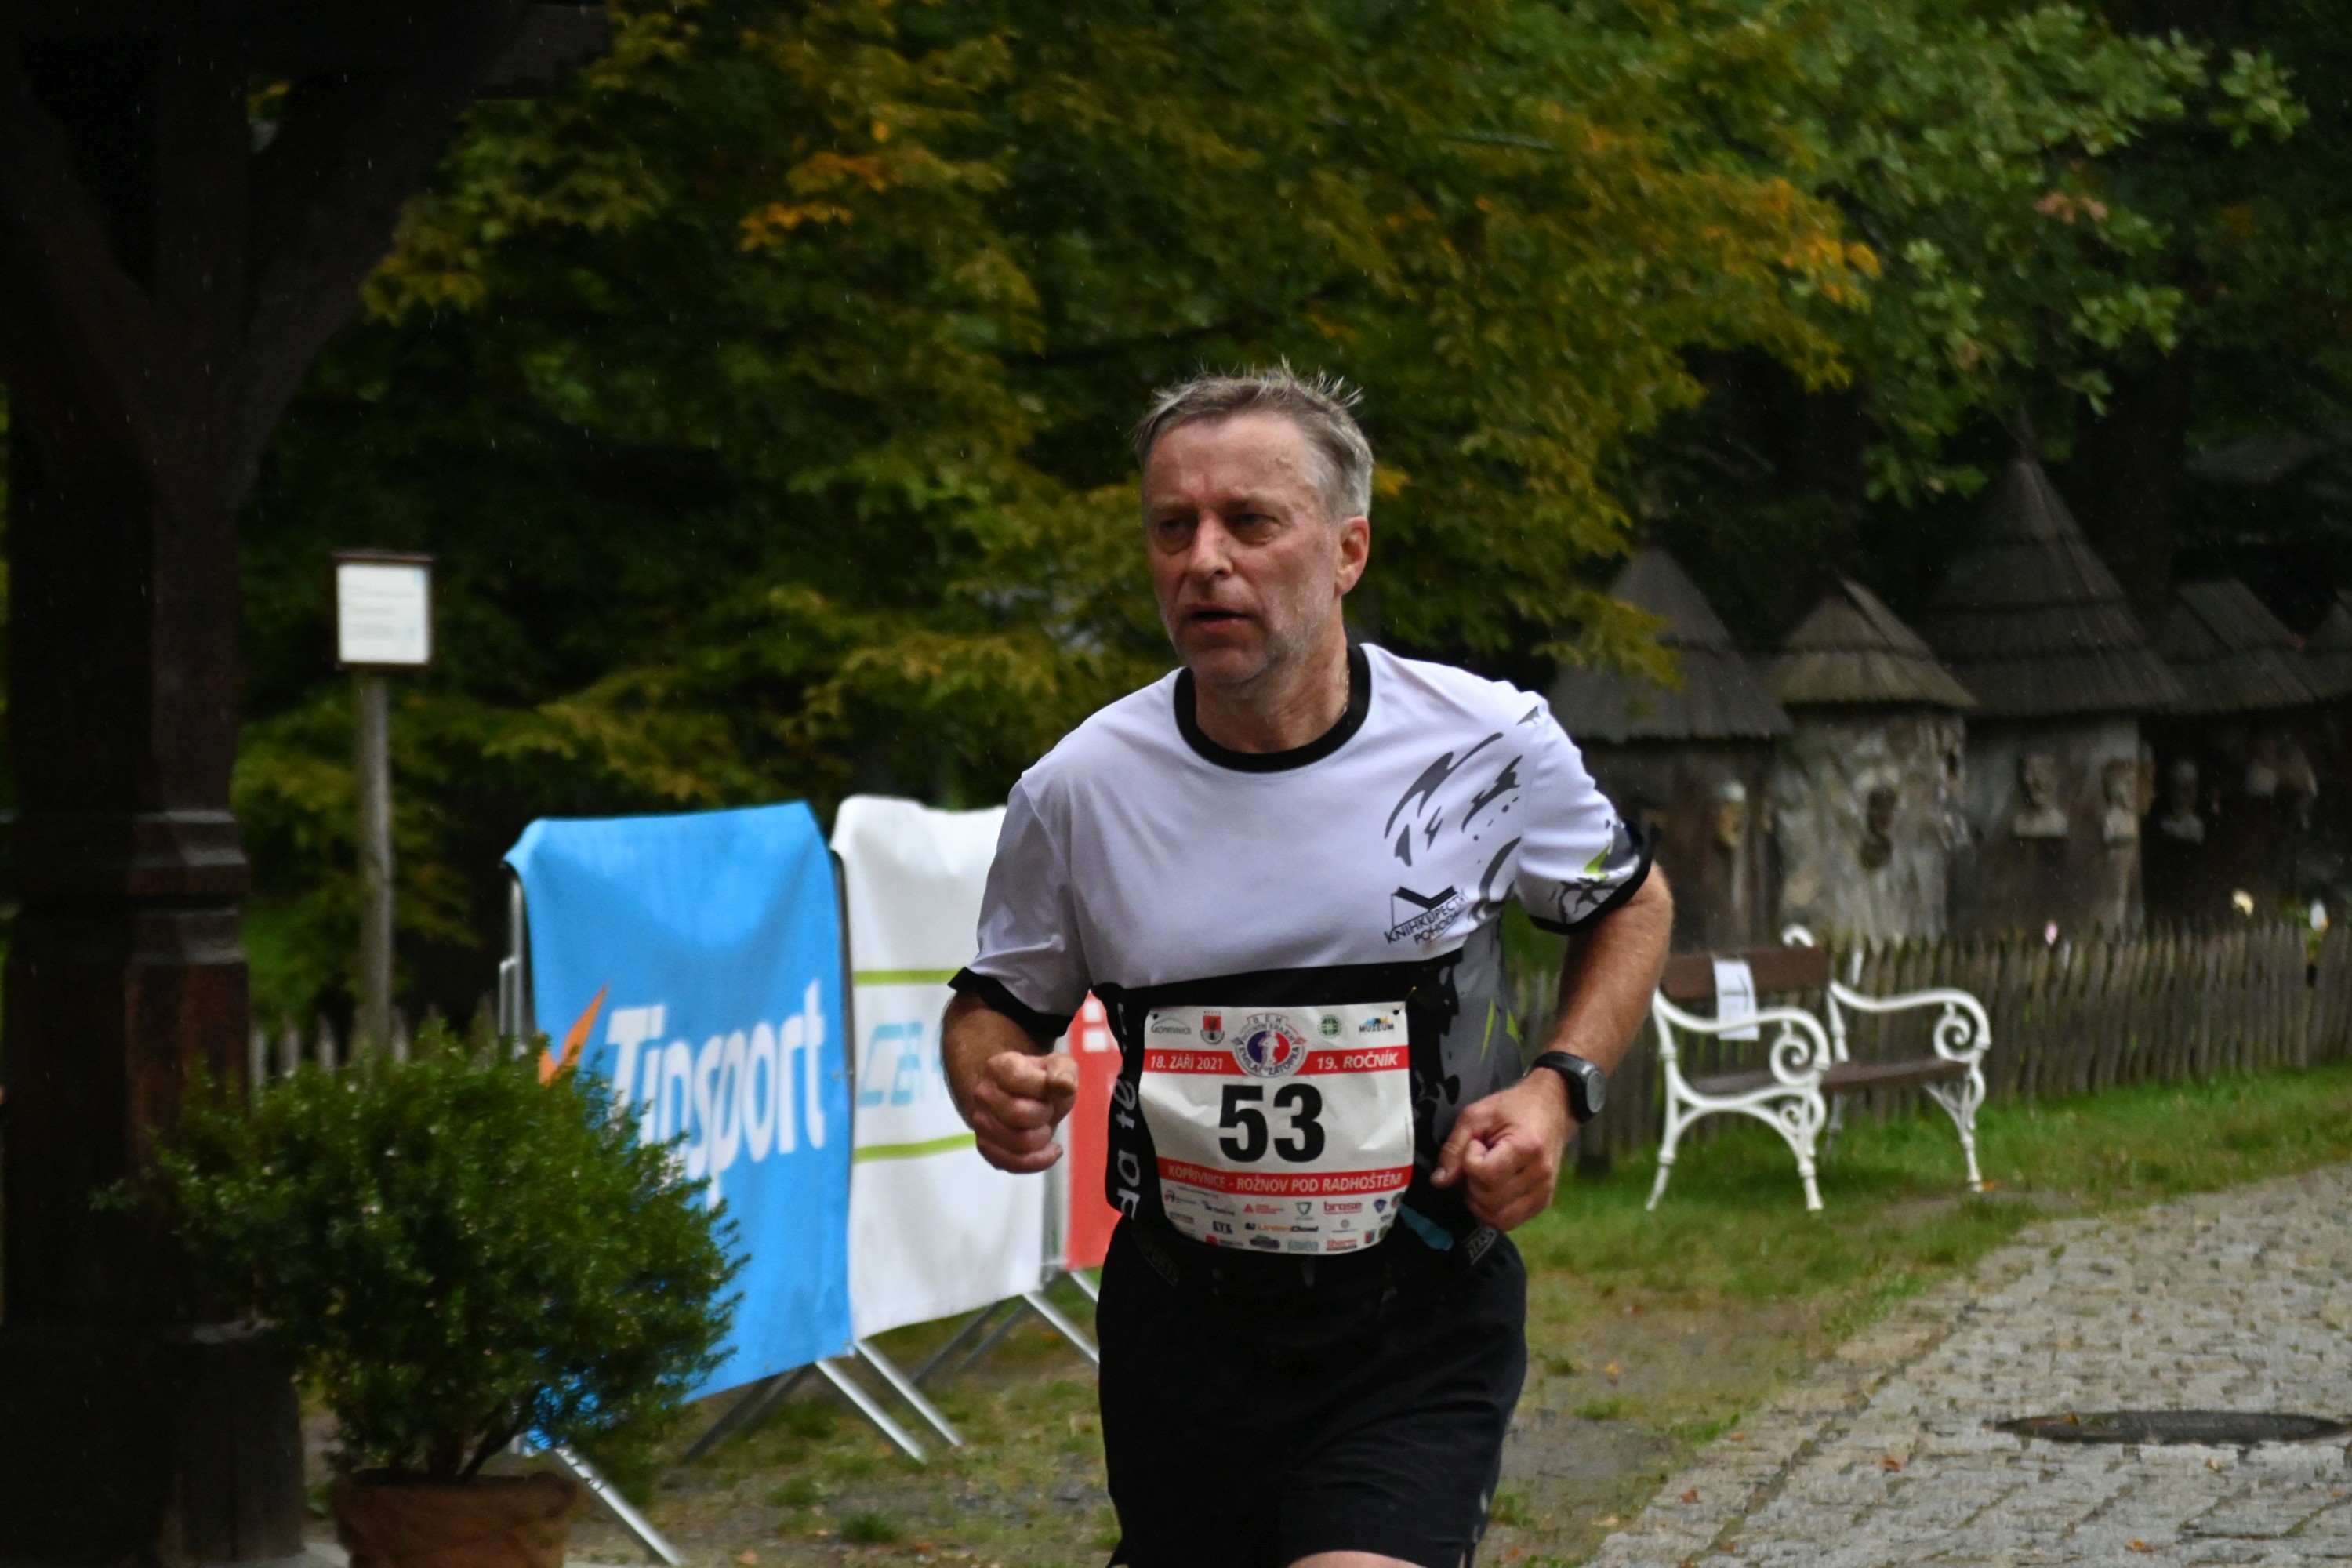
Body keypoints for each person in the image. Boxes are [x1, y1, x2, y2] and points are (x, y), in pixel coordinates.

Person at [941, 367, 1673, 1568]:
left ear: (1347, 551)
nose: (1204, 560)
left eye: (1250, 522)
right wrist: (991, 1083)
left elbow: (1631, 902)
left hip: (1416, 1312)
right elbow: (994, 1005)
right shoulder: (1079, 789)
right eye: (1172, 527)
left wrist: (1559, 1087)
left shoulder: (1486, 745)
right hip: (1183, 1326)